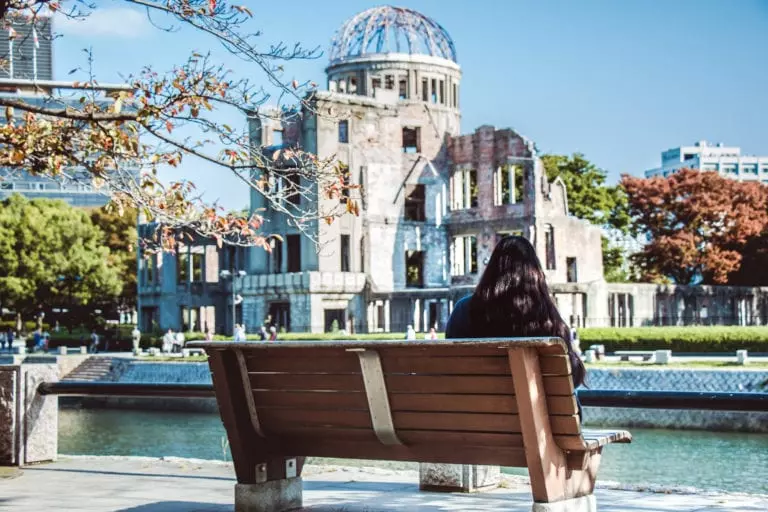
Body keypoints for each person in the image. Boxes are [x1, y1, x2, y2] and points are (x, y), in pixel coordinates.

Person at [446, 236, 586, 415]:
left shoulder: (464, 309)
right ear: (534, 271)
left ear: (491, 269)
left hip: (478, 420)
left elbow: (453, 369)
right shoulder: (546, 315)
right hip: (542, 427)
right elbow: (571, 378)